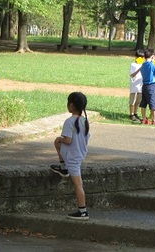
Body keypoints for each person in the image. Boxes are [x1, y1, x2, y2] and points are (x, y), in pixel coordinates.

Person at [50, 92, 90, 221]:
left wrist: (60, 139)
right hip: (79, 154)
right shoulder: (85, 121)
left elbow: (68, 140)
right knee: (57, 142)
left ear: (71, 105)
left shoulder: (69, 121)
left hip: (72, 157)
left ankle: (83, 211)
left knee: (78, 184)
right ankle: (63, 167)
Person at [139, 49, 155, 125]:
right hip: (151, 85)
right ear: (152, 57)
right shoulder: (152, 65)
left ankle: (144, 119)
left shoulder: (143, 65)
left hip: (144, 85)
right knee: (153, 102)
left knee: (144, 103)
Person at [129, 50, 144, 123]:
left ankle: (135, 113)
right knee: (132, 101)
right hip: (134, 85)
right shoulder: (133, 65)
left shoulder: (143, 64)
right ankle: (131, 114)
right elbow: (132, 75)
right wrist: (139, 70)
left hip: (141, 85)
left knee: (138, 101)